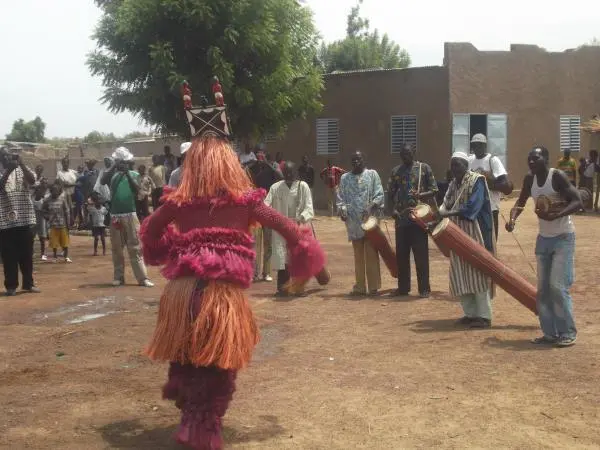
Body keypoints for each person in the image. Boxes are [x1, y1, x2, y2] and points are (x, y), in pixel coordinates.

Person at [139, 80, 325, 450]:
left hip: (181, 296)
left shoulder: (178, 202)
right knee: (218, 363)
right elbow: (290, 230)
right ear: (228, 159)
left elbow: (151, 234)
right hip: (220, 298)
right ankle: (203, 429)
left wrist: (178, 245)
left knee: (188, 357)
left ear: (194, 161)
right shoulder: (246, 202)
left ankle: (190, 420)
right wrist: (305, 253)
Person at [506, 146, 581, 347]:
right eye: (529, 158)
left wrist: (557, 215)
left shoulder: (557, 177)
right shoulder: (529, 179)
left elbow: (577, 201)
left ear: (546, 160)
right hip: (544, 239)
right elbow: (520, 202)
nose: (531, 162)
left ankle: (567, 332)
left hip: (563, 237)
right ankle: (550, 333)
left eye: (536, 158)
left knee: (557, 286)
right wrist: (512, 218)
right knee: (543, 290)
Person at [439, 152, 495, 329]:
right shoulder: (453, 184)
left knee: (477, 274)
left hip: (475, 233)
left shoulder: (477, 180)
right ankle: (470, 314)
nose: (454, 168)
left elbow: (473, 206)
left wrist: (448, 213)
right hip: (456, 232)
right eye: (452, 165)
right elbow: (446, 203)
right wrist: (440, 211)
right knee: (460, 272)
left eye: (458, 164)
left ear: (466, 165)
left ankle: (484, 316)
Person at [388, 144, 438, 298]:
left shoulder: (424, 168)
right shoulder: (396, 171)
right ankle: (403, 288)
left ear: (413, 153)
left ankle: (424, 289)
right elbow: (390, 194)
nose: (406, 156)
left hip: (419, 220)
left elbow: (434, 190)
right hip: (402, 220)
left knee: (421, 256)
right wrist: (393, 211)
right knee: (402, 256)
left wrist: (420, 195)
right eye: (403, 154)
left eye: (408, 153)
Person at [100, 146, 153, 287]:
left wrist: (127, 173)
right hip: (115, 216)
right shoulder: (112, 175)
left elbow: (137, 191)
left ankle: (142, 278)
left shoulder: (134, 174)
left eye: (123, 162)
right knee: (117, 248)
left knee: (135, 247)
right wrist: (114, 166)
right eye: (120, 162)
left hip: (130, 214)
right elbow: (102, 181)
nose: (122, 164)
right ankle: (119, 277)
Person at [337, 151, 384, 296]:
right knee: (358, 256)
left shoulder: (372, 175)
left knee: (371, 253)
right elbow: (340, 199)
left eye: (359, 159)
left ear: (364, 159)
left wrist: (370, 207)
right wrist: (342, 211)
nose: (356, 162)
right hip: (353, 223)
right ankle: (360, 286)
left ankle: (373, 287)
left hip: (369, 222)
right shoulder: (345, 178)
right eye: (353, 160)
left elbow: (379, 194)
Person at [265, 162, 314, 294]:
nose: (288, 175)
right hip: (281, 229)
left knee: (298, 258)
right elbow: (266, 205)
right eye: (285, 172)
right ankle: (283, 289)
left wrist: (300, 218)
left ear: (295, 173)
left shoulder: (303, 187)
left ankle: (299, 288)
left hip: (298, 228)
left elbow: (309, 208)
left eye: (290, 172)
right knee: (282, 258)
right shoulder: (275, 187)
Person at [0, 151, 40, 296]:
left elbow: (32, 181)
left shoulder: (22, 169)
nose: (8, 157)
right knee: (9, 256)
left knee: (27, 255)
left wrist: (21, 164)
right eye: (4, 156)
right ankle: (11, 286)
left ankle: (28, 284)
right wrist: (9, 170)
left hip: (25, 219)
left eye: (9, 155)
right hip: (5, 222)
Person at [245, 158, 283, 282]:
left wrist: (267, 163)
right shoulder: (251, 170)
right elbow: (245, 173)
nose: (259, 157)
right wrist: (253, 164)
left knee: (268, 244)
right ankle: (255, 273)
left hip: (268, 212)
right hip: (255, 213)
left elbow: (280, 176)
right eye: (258, 154)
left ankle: (266, 272)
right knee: (255, 244)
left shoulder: (272, 170)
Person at [468, 133, 512, 240]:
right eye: (475, 145)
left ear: (485, 146)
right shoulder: (469, 160)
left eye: (480, 145)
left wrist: (488, 182)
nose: (477, 147)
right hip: (474, 207)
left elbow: (505, 184)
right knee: (475, 239)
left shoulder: (492, 160)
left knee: (490, 241)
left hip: (490, 208)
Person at [43, 183, 71, 263]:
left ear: (59, 191)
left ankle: (66, 257)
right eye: (53, 190)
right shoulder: (47, 200)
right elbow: (43, 210)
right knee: (54, 243)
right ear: (51, 191)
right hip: (53, 225)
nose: (55, 192)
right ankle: (55, 257)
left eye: (56, 190)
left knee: (65, 242)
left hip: (63, 224)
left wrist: (68, 223)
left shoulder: (62, 200)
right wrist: (46, 217)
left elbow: (67, 211)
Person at [56, 157, 78, 228]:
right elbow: (64, 184)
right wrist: (75, 184)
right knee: (68, 209)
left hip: (75, 192)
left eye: (67, 162)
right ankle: (68, 224)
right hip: (66, 194)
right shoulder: (59, 173)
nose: (65, 164)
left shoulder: (72, 171)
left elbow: (79, 176)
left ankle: (74, 222)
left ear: (68, 163)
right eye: (64, 162)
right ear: (62, 163)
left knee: (76, 208)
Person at [32, 181, 49, 261]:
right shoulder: (32, 197)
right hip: (33, 218)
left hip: (41, 219)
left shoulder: (45, 198)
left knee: (42, 238)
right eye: (40, 189)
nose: (41, 191)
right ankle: (31, 252)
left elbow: (47, 210)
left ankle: (43, 254)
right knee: (31, 237)